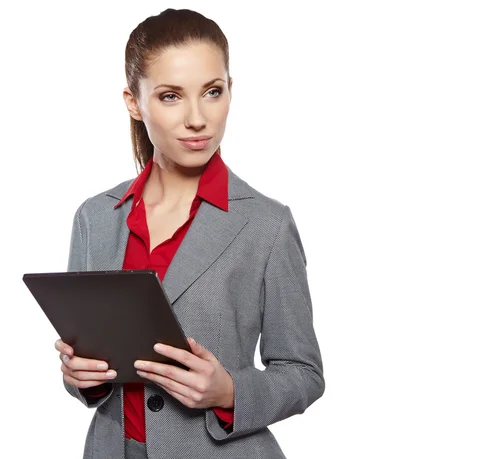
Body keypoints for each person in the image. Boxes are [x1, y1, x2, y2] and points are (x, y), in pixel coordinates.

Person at [53, 8, 325, 459]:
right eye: (171, 96)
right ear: (134, 103)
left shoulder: (267, 225)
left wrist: (229, 391)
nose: (198, 118)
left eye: (212, 92)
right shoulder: (95, 218)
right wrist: (78, 375)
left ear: (229, 92)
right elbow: (87, 364)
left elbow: (303, 373)